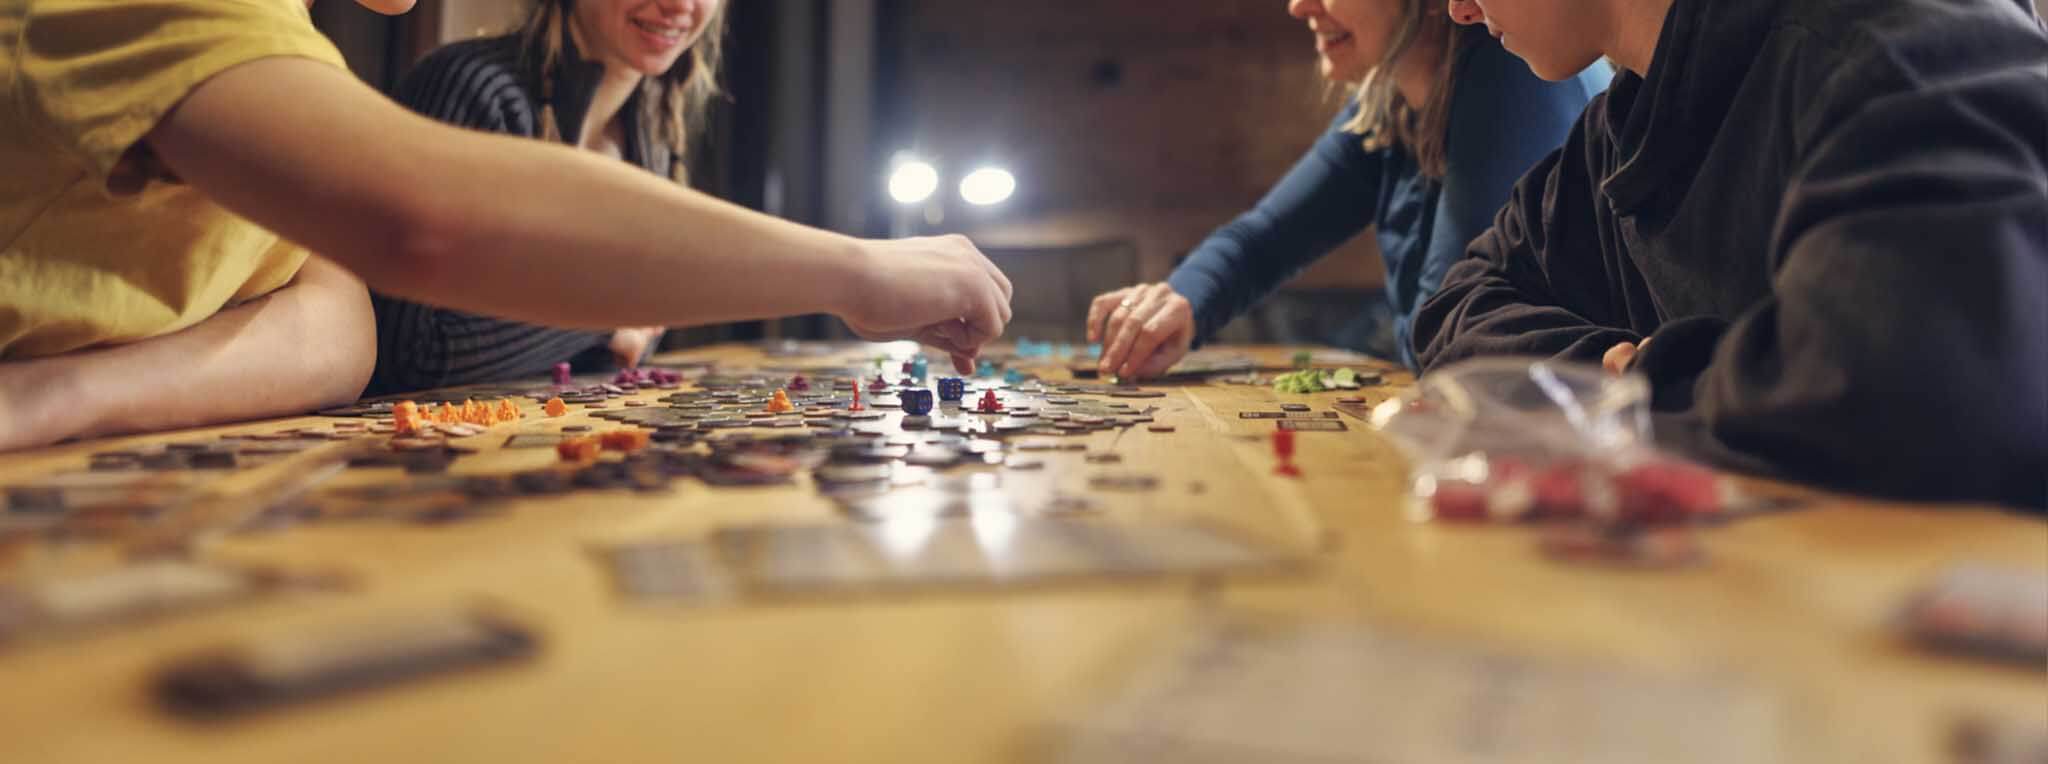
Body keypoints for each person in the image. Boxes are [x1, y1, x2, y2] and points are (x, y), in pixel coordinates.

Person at [0, 0, 1011, 451]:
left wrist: (57, 397)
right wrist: (850, 269)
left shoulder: (282, 45)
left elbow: (338, 322)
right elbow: (422, 232)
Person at [1418, 0, 2047, 507]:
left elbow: (1901, 391)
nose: (1458, 11)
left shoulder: (1898, 43)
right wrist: (1606, 384)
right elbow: (1454, 315)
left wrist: (1642, 386)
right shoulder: (1619, 129)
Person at [1086, 0, 1609, 380]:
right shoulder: (1389, 103)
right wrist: (1179, 302)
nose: (1298, 7)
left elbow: (1445, 329)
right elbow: (1263, 242)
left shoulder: (1511, 79)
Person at [368, 0, 729, 395]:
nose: (679, 5)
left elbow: (636, 335)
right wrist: (605, 314)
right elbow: (406, 353)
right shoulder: (469, 86)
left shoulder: (653, 127)